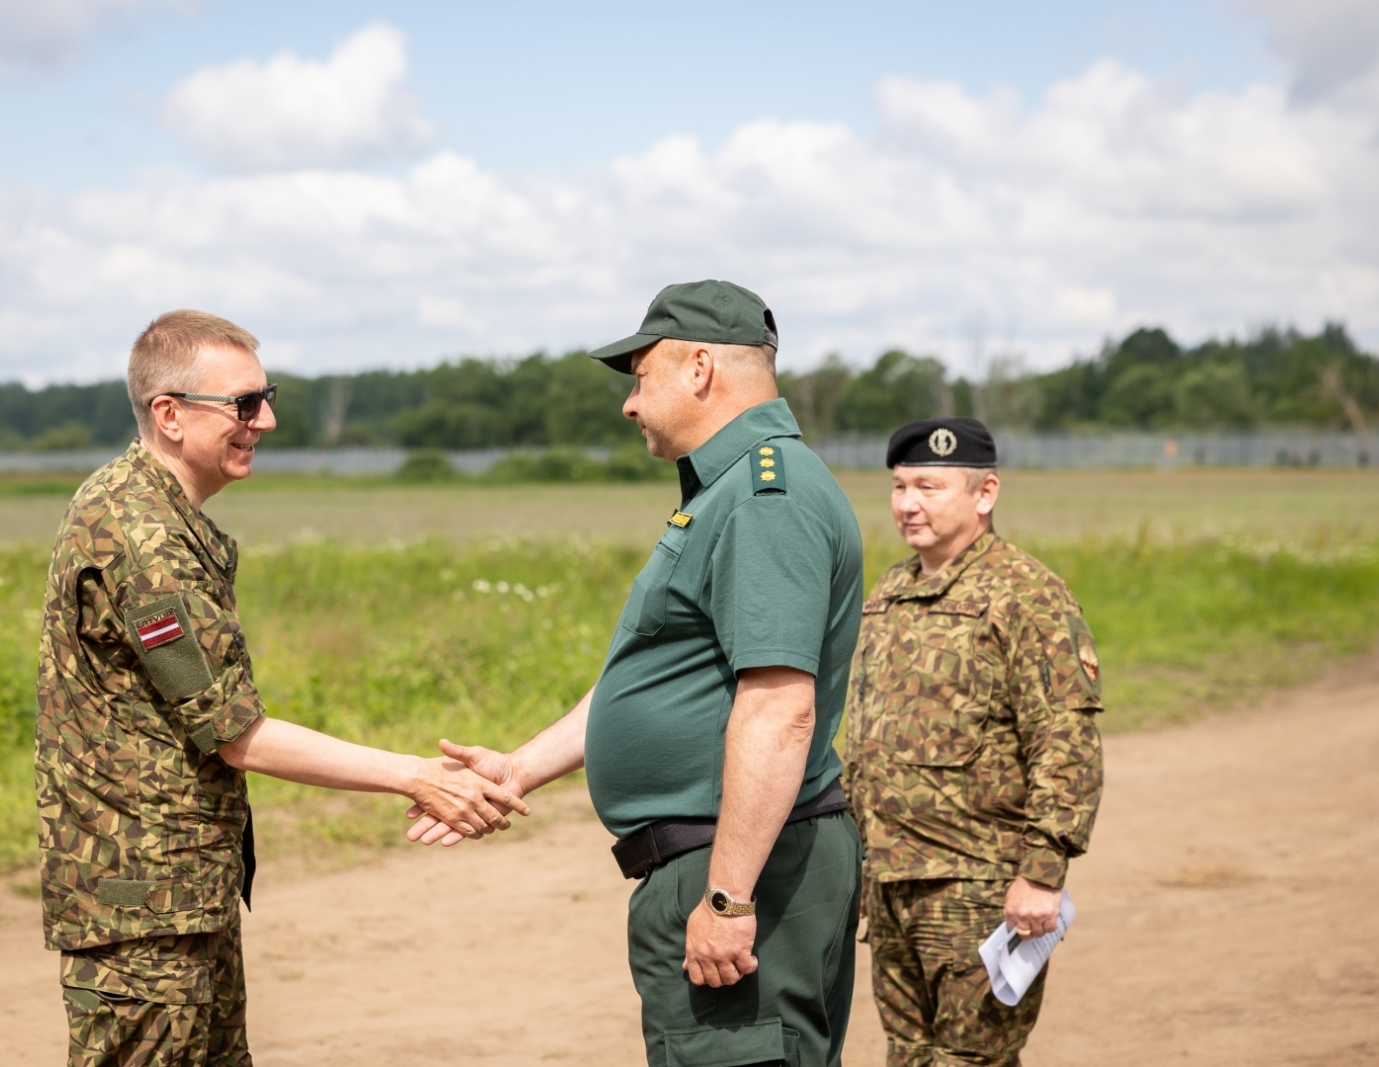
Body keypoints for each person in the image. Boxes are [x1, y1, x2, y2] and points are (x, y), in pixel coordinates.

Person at [35, 309, 527, 1067]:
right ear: (169, 414)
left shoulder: (148, 507)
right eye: (242, 404)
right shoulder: (143, 537)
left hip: (177, 890)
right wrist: (418, 775)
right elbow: (235, 732)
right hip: (144, 907)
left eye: (265, 397)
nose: (264, 419)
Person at [408, 280, 866, 1067]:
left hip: (740, 863)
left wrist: (725, 897)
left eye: (640, 375)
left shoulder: (764, 496)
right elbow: (666, 675)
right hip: (724, 857)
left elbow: (777, 711)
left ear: (698, 367)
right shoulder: (732, 489)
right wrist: (518, 767)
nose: (629, 402)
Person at [844, 417, 1105, 1067]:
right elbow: (866, 742)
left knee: (971, 1058)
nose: (907, 504)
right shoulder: (889, 594)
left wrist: (1042, 872)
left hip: (977, 884)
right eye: (900, 487)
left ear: (984, 493)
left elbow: (1064, 735)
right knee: (909, 1053)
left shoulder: (1026, 593)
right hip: (892, 882)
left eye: (928, 486)